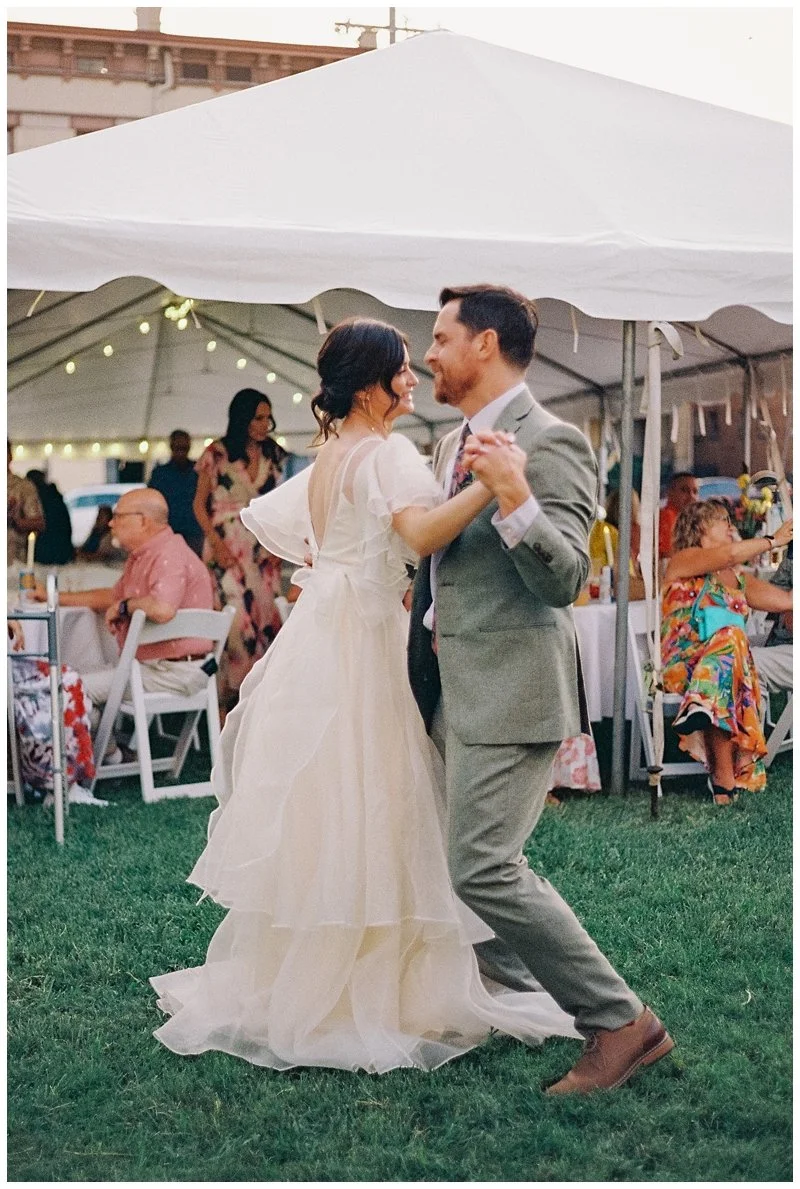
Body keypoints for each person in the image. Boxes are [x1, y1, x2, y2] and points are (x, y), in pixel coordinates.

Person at [150, 317, 581, 1074]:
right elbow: (417, 536)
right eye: (403, 369)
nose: (414, 379)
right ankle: (384, 988)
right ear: (371, 382)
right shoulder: (384, 453)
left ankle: (320, 976)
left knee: (330, 804)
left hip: (323, 632)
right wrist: (492, 484)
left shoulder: (327, 457)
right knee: (379, 799)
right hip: (370, 635)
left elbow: (326, 546)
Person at [408, 284, 672, 1096]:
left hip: (514, 684)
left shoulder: (550, 441)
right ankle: (530, 995)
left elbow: (567, 579)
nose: (430, 354)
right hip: (454, 687)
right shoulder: (449, 441)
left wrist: (516, 499)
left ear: (484, 344)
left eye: (443, 338)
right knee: (462, 863)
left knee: (483, 867)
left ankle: (619, 1021)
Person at [34, 489, 215, 743]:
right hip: (160, 668)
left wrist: (125, 607)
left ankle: (99, 756)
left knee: (66, 686)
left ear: (142, 520)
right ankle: (107, 753)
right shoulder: (146, 555)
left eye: (118, 516)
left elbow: (162, 609)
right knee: (76, 678)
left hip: (173, 673)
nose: (110, 522)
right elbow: (111, 597)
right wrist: (54, 598)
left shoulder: (169, 555)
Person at [661, 499, 793, 804]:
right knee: (732, 643)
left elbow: (787, 600)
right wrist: (774, 540)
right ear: (700, 528)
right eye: (723, 520)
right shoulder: (683, 561)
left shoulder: (737, 578)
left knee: (728, 657)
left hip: (719, 672)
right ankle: (723, 777)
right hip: (683, 666)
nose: (731, 527)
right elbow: (732, 552)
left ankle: (722, 780)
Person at [193, 391, 285, 710]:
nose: (264, 424)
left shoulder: (273, 453)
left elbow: (278, 504)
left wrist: (276, 542)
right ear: (243, 418)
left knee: (265, 620)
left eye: (267, 417)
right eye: (258, 417)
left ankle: (257, 702)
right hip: (226, 546)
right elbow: (199, 506)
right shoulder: (216, 453)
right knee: (235, 624)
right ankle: (227, 699)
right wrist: (216, 544)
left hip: (261, 547)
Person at [148, 430, 204, 556]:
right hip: (169, 532)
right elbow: (151, 504)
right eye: (177, 448)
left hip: (194, 531)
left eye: (184, 448)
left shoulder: (199, 471)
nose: (181, 452)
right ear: (171, 447)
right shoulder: (160, 474)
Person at [750, 545, 793, 695]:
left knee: (749, 662)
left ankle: (751, 718)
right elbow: (772, 593)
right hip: (782, 638)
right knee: (731, 646)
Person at [7, 441, 45, 567]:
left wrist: (15, 520)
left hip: (13, 562)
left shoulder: (23, 487)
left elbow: (39, 523)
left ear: (9, 456)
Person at [26, 470, 74, 566]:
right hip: (61, 549)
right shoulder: (55, 497)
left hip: (47, 550)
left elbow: (43, 524)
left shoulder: (41, 499)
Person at [659, 472, 699, 559]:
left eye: (695, 492)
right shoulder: (667, 517)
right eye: (685, 490)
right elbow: (669, 554)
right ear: (670, 493)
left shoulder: (691, 519)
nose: (691, 496)